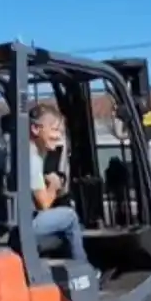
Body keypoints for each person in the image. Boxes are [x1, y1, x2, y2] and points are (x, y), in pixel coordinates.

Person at [24, 101, 90, 263]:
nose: (58, 136)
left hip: (20, 220)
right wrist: (53, 184)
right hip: (28, 224)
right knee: (70, 217)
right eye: (54, 130)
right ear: (35, 129)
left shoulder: (24, 152)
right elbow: (44, 204)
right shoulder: (31, 159)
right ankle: (83, 268)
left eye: (60, 131)